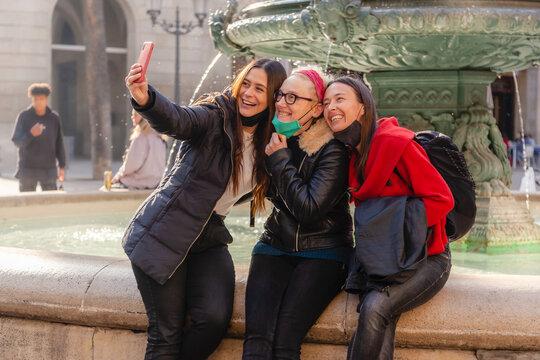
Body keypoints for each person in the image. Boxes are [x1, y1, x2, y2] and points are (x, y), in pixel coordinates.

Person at [123, 58, 287, 360]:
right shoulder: (216, 115)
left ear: (273, 97)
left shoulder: (272, 141)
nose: (248, 94)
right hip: (167, 229)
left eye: (260, 89)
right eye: (246, 84)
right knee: (165, 336)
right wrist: (146, 98)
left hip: (209, 235)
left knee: (213, 320)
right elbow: (178, 120)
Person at [322, 76, 454, 360]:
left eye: (340, 99)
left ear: (362, 108)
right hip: (384, 258)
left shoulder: (397, 144)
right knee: (379, 314)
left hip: (428, 256)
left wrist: (397, 230)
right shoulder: (352, 158)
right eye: (326, 102)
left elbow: (442, 199)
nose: (331, 106)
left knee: (375, 308)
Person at [242, 68, 352, 360]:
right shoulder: (276, 136)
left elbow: (309, 210)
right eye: (280, 95)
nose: (281, 103)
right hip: (274, 245)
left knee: (284, 343)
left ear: (317, 109)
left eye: (293, 97)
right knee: (256, 341)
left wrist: (280, 161)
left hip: (324, 251)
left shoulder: (334, 150)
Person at [11, 83, 66, 192]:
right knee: (27, 205)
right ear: (32, 100)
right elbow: (17, 141)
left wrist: (62, 167)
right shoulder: (24, 116)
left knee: (50, 204)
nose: (39, 102)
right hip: (27, 170)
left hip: (48, 170)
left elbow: (59, 143)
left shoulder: (54, 118)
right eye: (36, 99)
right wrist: (31, 134)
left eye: (42, 99)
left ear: (46, 100)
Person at [110, 109, 167, 189]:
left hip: (139, 182)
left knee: (106, 190)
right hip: (156, 182)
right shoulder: (159, 137)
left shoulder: (141, 137)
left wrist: (119, 175)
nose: (132, 117)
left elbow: (132, 165)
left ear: (144, 117)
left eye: (135, 115)